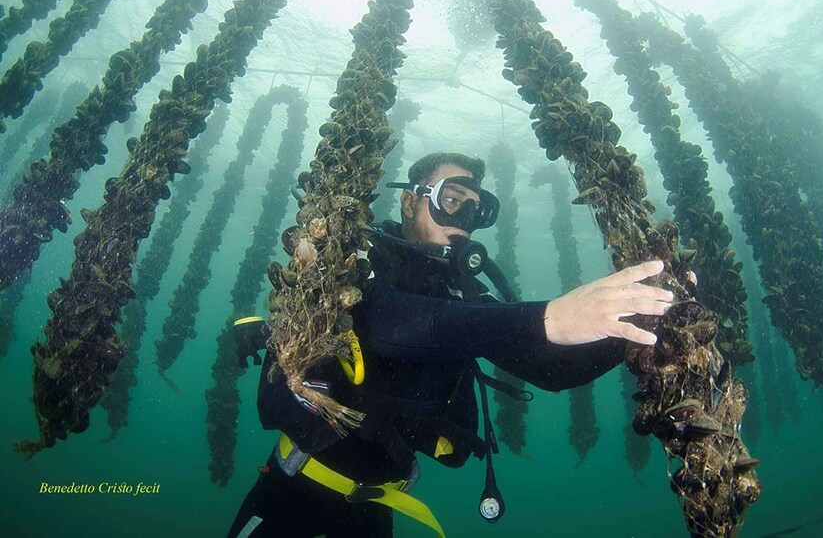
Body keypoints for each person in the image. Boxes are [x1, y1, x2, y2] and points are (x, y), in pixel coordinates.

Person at [227, 152, 675, 538]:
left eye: (474, 211)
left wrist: (641, 326)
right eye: (451, 200)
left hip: (377, 509)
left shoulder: (463, 297)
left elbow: (554, 370)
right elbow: (395, 326)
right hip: (293, 489)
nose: (462, 220)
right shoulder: (359, 264)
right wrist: (551, 316)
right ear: (408, 201)